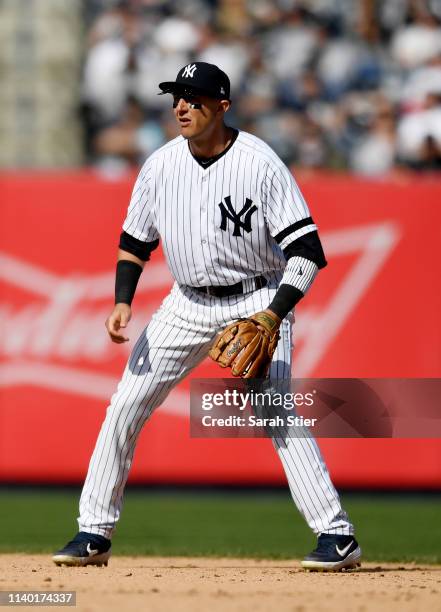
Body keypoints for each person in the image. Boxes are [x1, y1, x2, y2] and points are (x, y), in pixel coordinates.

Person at [53, 62, 361, 572]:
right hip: (186, 302)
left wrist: (272, 316)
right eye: (177, 96)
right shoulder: (160, 165)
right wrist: (123, 299)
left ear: (222, 105)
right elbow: (134, 242)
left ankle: (337, 534)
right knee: (125, 406)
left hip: (256, 298)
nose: (181, 106)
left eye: (193, 98)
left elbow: (306, 252)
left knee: (275, 410)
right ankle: (93, 531)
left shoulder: (260, 163)